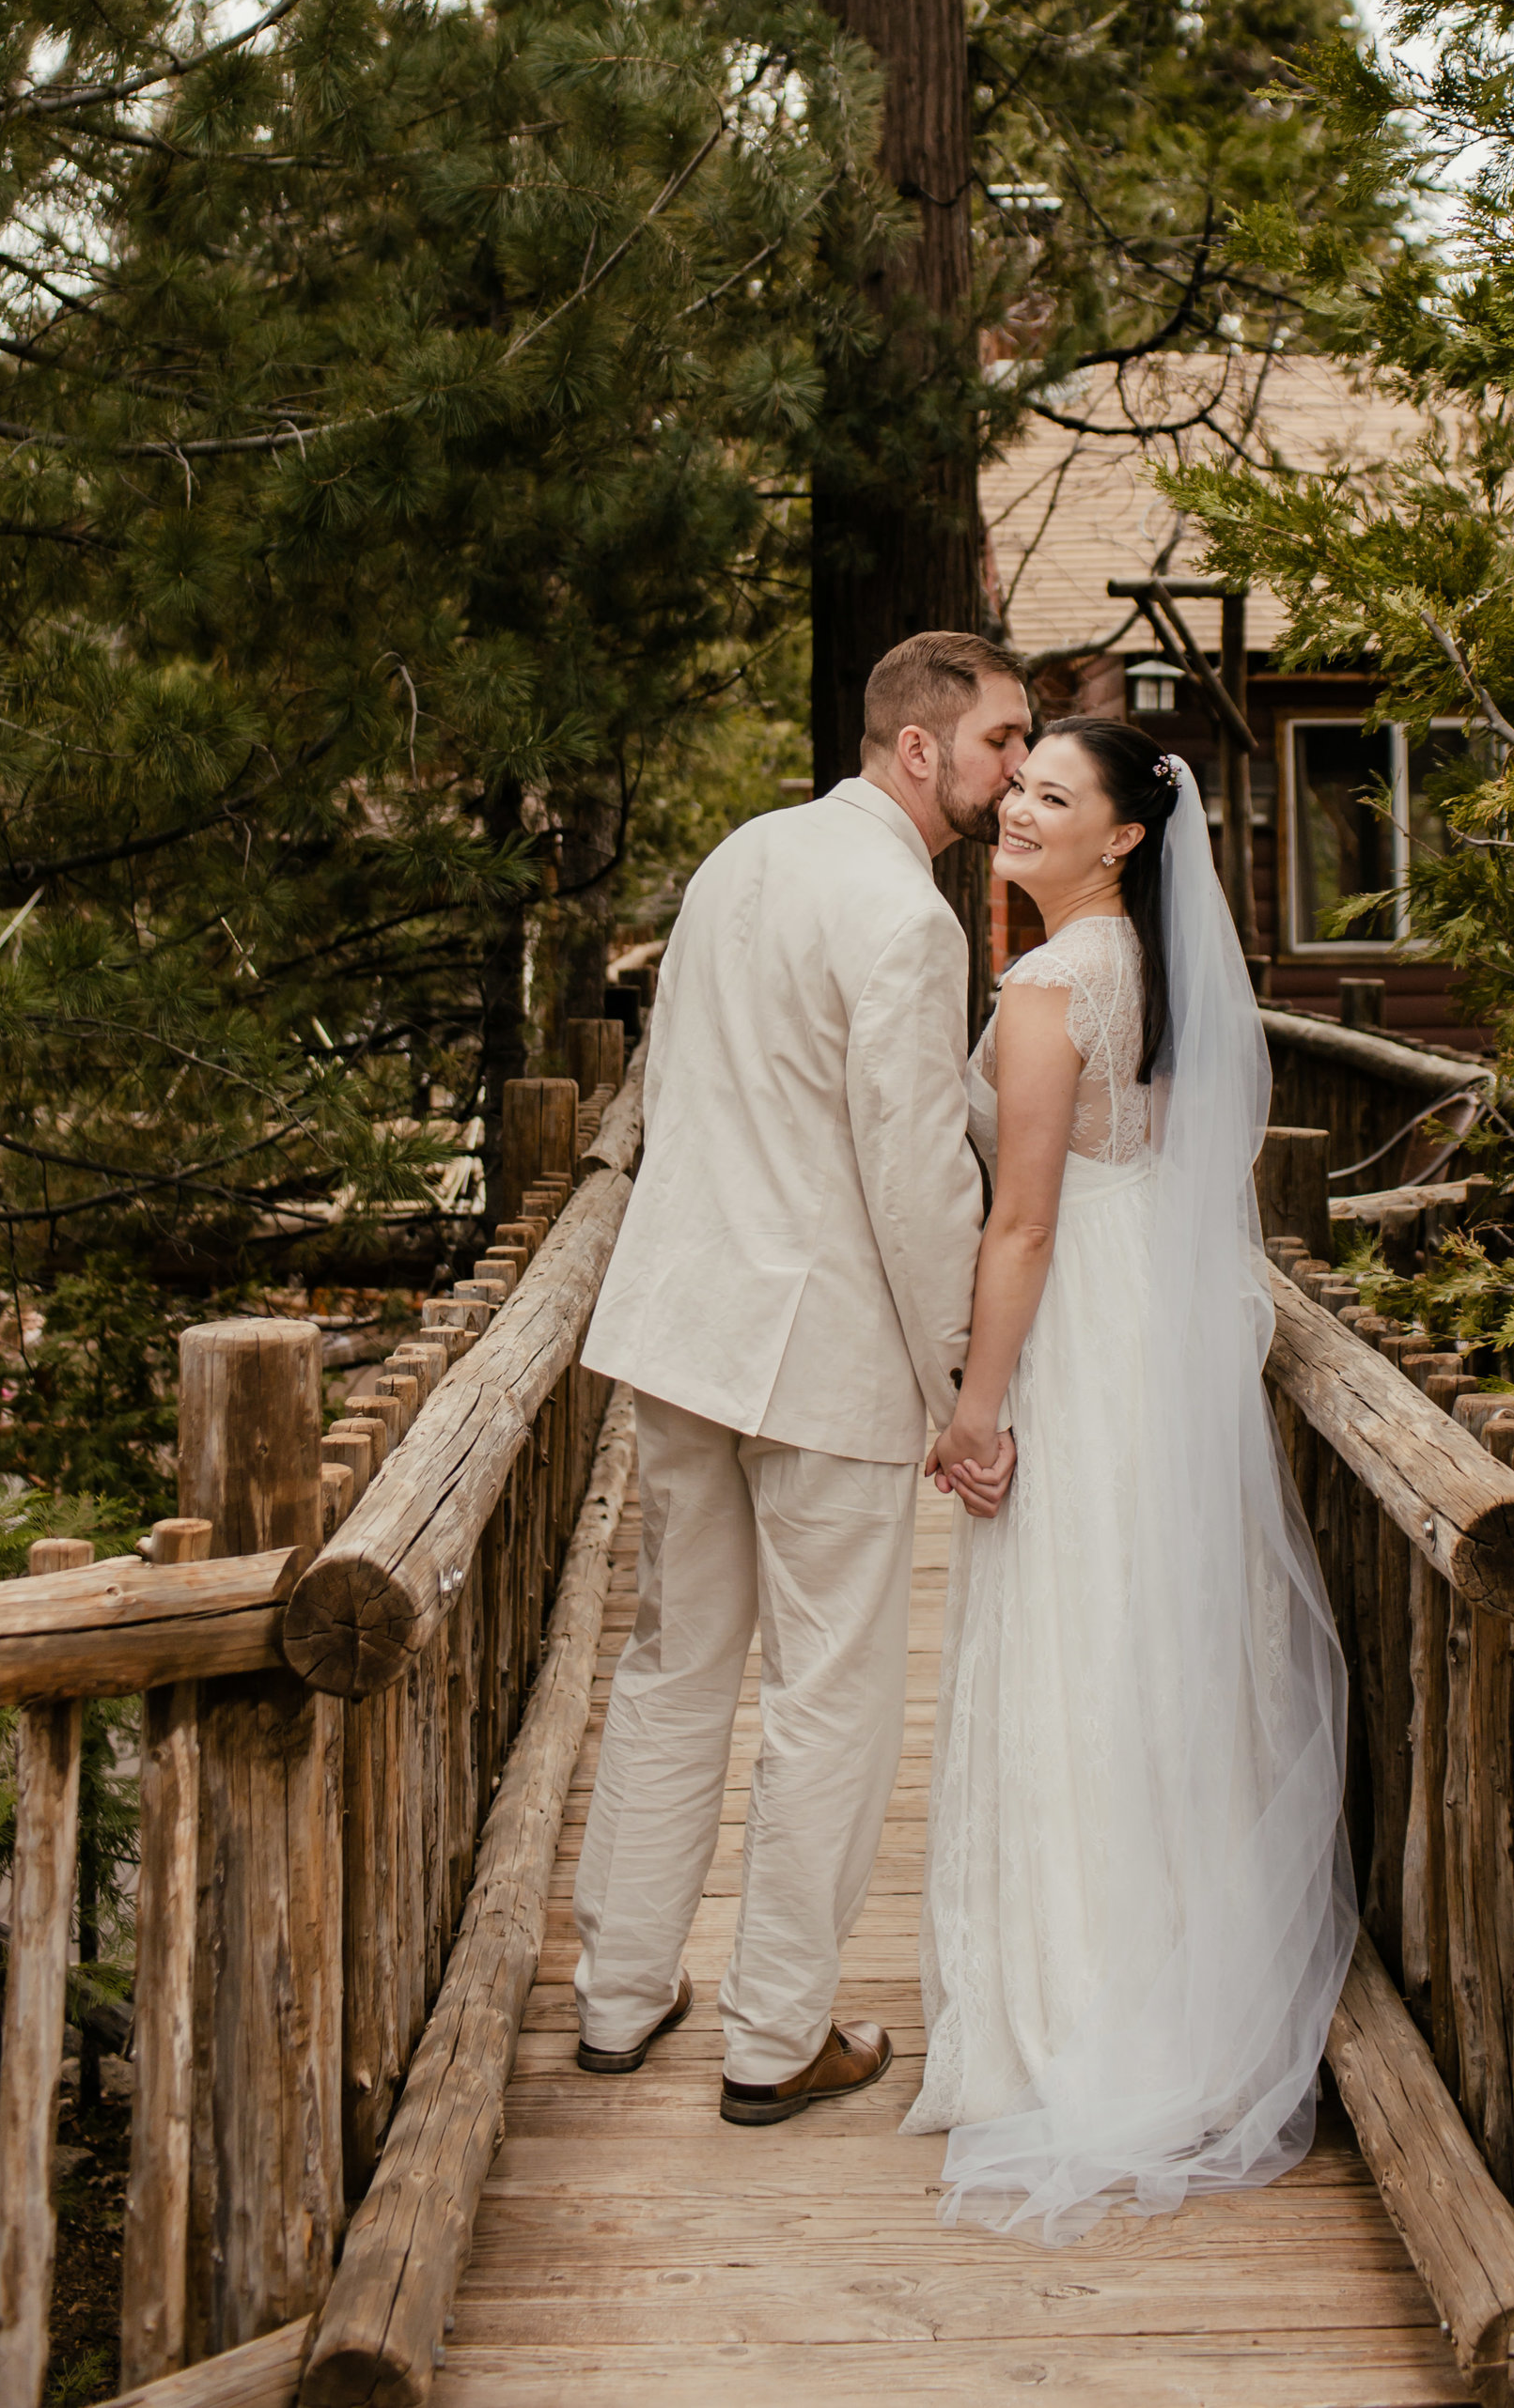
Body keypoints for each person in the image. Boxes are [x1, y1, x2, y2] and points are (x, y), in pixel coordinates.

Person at [570, 629, 1032, 2125]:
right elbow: (915, 1179)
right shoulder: (906, 914)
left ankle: (619, 1997)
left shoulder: (739, 859)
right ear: (919, 745)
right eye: (1001, 743)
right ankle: (775, 2037)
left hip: (683, 1322)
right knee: (830, 1692)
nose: (1016, 773)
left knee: (671, 1663)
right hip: (820, 1347)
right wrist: (965, 1377)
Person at [906, 714, 1357, 2237]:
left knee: (1067, 1650)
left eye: (1050, 797)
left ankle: (1077, 2024)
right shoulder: (1157, 971)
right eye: (1013, 787)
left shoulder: (1047, 987)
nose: (1015, 811)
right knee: (1141, 1648)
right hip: (1149, 1326)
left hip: (1077, 1333)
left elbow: (1020, 1224)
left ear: (1122, 837)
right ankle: (1173, 1990)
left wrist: (977, 1408)